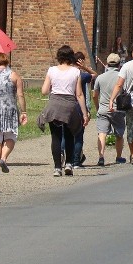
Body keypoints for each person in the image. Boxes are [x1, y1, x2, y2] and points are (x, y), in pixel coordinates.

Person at [38, 45, 89, 176]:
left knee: (55, 137)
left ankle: (57, 168)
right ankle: (69, 164)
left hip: (54, 105)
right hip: (69, 106)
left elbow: (44, 91)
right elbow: (79, 94)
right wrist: (84, 113)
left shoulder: (52, 70)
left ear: (58, 57)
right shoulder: (76, 72)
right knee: (69, 135)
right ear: (71, 57)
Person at [92, 53, 126, 166]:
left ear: (106, 64)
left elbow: (94, 95)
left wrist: (97, 107)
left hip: (103, 109)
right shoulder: (121, 78)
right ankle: (119, 156)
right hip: (118, 109)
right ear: (119, 65)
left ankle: (101, 156)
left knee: (102, 133)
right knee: (119, 134)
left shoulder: (100, 78)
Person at [72, 51, 97, 167]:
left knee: (64, 135)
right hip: (79, 108)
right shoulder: (82, 75)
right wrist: (85, 68)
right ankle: (76, 161)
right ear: (80, 61)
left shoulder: (66, 73)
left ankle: (63, 156)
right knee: (78, 135)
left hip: (67, 106)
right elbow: (95, 74)